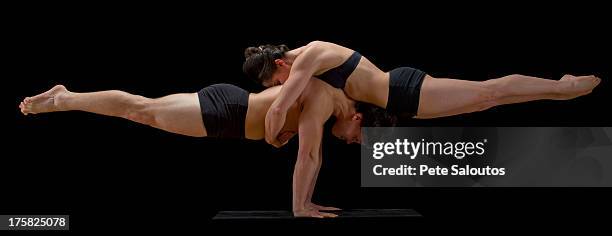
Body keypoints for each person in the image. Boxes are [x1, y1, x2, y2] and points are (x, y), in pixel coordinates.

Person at [18, 79, 386, 218]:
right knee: (142, 110)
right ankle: (63, 99)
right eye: (358, 139)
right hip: (227, 111)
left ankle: (65, 98)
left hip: (228, 113)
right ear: (358, 119)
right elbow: (309, 154)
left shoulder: (326, 103)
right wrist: (300, 206)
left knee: (143, 109)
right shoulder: (325, 99)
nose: (352, 143)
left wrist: (305, 201)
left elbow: (311, 150)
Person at [242, 41, 602, 145]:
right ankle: (556, 92)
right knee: (484, 103)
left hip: (402, 89)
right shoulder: (305, 62)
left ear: (279, 66)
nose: (279, 89)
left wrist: (274, 139)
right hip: (401, 98)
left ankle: (561, 86)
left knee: (486, 92)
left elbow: (277, 111)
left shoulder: (310, 56)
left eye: (275, 83)